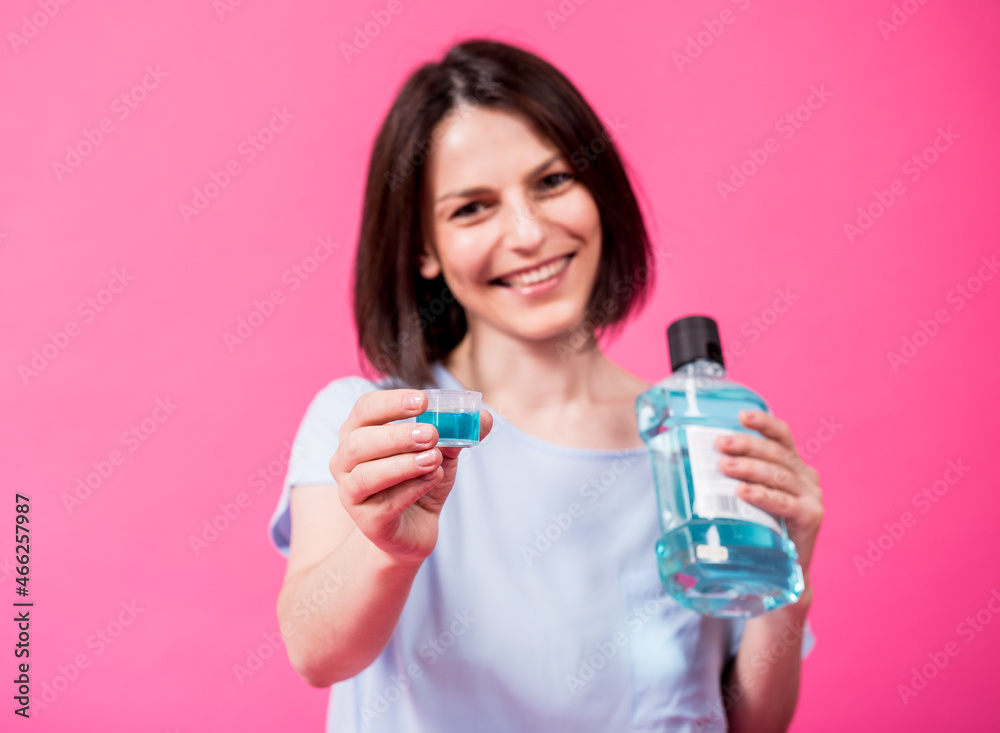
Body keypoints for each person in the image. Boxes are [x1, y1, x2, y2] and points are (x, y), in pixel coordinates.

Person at [268, 38, 823, 733]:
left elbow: (749, 725)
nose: (529, 233)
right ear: (423, 250)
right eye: (472, 208)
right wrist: (386, 548)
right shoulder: (370, 426)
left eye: (553, 181)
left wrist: (785, 582)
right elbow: (315, 652)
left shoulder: (696, 438)